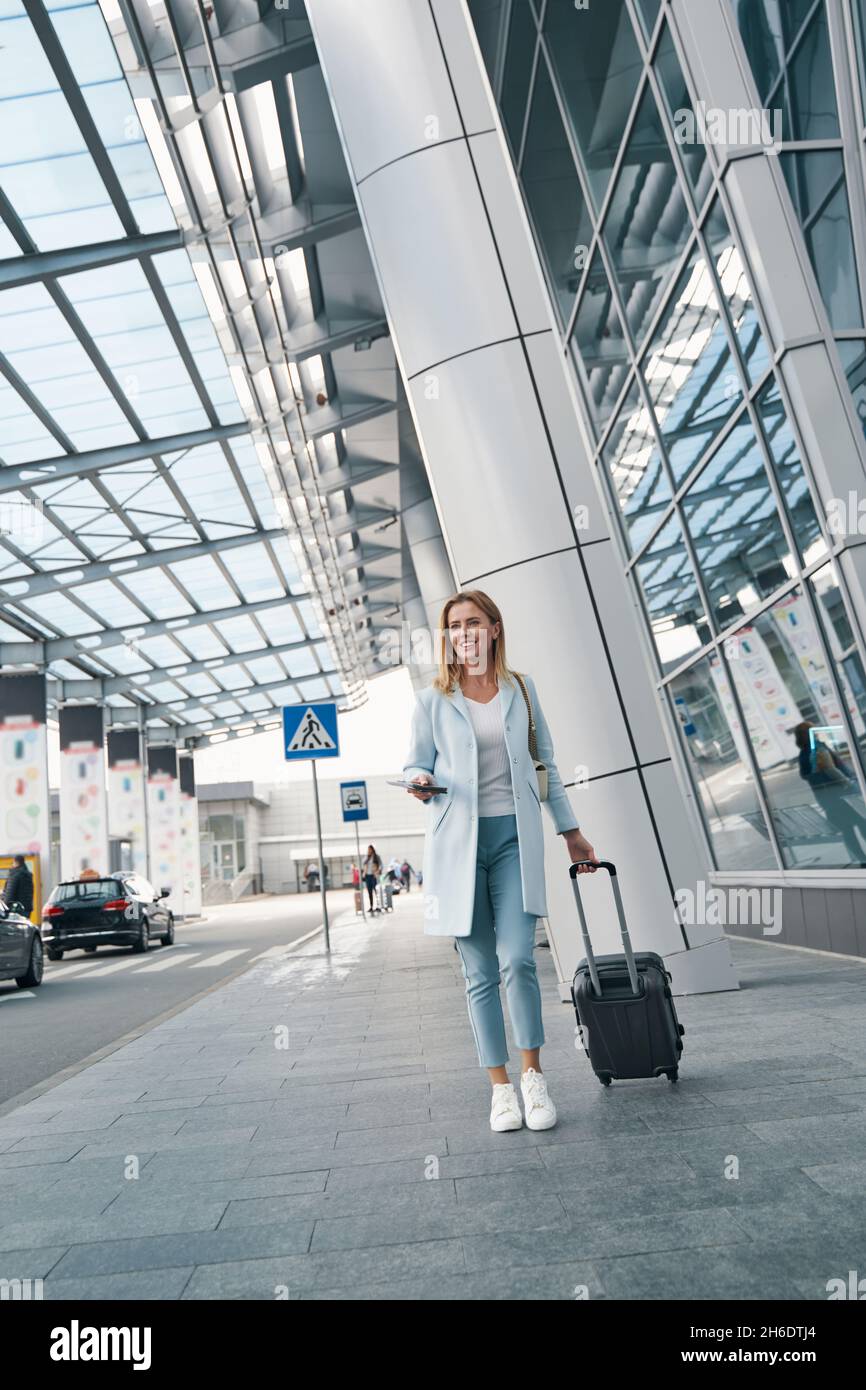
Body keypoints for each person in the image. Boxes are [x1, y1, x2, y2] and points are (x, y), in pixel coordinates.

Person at [404, 589, 598, 1134]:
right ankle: (500, 1089)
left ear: (493, 628)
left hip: (514, 840)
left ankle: (534, 1076)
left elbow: (545, 764)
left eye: (472, 623)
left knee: (519, 959)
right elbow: (417, 763)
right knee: (479, 972)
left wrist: (572, 834)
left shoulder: (521, 690)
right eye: (453, 626)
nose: (463, 633)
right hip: (457, 848)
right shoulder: (431, 700)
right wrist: (419, 781)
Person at [794, 721, 866, 862]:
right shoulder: (819, 749)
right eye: (814, 730)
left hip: (827, 800)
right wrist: (849, 783)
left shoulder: (803, 755)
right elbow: (830, 769)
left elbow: (805, 775)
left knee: (847, 833)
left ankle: (862, 861)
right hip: (844, 795)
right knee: (863, 823)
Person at [362, 845, 382, 912]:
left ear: (373, 850)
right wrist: (367, 856)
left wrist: (378, 871)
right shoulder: (366, 857)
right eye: (368, 850)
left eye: (370, 849)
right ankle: (371, 906)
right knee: (369, 892)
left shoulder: (377, 857)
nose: (369, 851)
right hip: (368, 876)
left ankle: (378, 906)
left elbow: (381, 865)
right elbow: (363, 863)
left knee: (376, 891)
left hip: (374, 876)